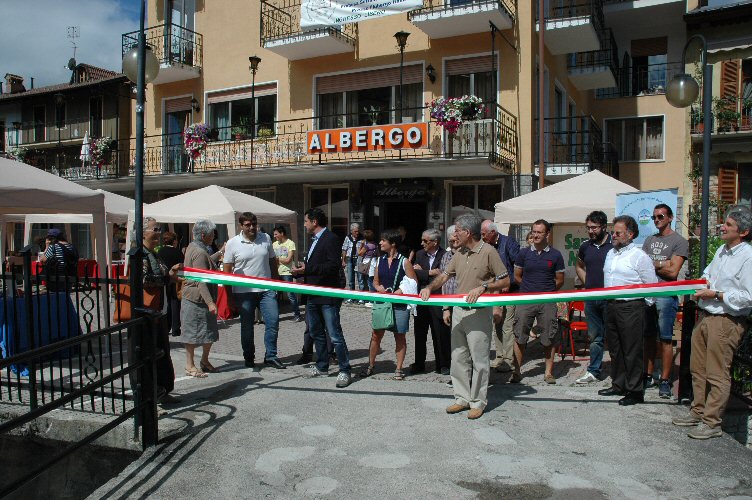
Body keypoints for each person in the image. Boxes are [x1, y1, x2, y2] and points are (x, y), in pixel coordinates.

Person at [672, 206, 752, 439]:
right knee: (698, 369)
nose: (722, 227)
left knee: (717, 373)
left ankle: (712, 422)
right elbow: (707, 276)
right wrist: (701, 285)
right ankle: (698, 411)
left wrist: (716, 295)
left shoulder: (748, 257)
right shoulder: (722, 251)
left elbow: (748, 297)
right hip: (706, 316)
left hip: (726, 320)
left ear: (743, 232)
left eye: (728, 225)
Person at [420, 214, 509, 420]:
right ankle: (462, 398)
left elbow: (504, 281)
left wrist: (484, 287)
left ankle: (478, 402)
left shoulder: (488, 251)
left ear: (468, 233)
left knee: (479, 359)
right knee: (458, 356)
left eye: (458, 230)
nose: (454, 233)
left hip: (479, 311)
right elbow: (444, 275)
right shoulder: (459, 253)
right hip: (459, 310)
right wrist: (429, 289)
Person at [598, 215, 657, 406]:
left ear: (630, 234)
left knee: (632, 350)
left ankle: (635, 390)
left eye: (618, 232)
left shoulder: (639, 256)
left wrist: (642, 307)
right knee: (615, 349)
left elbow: (651, 285)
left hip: (631, 306)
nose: (613, 235)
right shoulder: (611, 253)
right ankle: (619, 384)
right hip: (612, 305)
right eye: (612, 231)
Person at [292, 207, 352, 388]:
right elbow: (316, 265)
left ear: (314, 222)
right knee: (316, 332)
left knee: (334, 335)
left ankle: (345, 370)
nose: (304, 225)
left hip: (327, 296)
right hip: (313, 294)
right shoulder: (314, 240)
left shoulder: (331, 239)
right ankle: (322, 366)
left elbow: (333, 267)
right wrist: (301, 272)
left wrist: (307, 269)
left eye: (305, 221)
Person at [223, 212, 285, 370]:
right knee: (247, 326)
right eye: (248, 225)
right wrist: (229, 297)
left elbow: (272, 261)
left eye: (254, 224)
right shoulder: (232, 243)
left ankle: (271, 355)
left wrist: (276, 284)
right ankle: (249, 357)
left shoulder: (266, 238)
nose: (252, 227)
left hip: (267, 289)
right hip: (244, 292)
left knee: (273, 321)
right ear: (241, 226)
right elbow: (227, 272)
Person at [642, 203, 688, 398]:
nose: (657, 220)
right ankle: (648, 375)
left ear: (670, 218)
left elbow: (673, 271)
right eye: (654, 217)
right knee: (648, 338)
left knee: (666, 339)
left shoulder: (680, 241)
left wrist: (655, 264)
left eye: (660, 216)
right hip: (648, 294)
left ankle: (665, 380)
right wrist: (663, 262)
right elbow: (643, 268)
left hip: (666, 295)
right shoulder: (649, 240)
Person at [512, 219, 565, 384]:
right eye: (533, 231)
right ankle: (517, 371)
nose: (535, 235)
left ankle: (548, 373)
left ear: (547, 234)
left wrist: (545, 290)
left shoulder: (556, 255)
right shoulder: (523, 253)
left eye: (539, 232)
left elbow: (560, 280)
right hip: (526, 299)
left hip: (547, 300)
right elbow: (517, 276)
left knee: (549, 336)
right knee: (520, 335)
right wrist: (530, 288)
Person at [361, 230, 418, 380]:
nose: (380, 243)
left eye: (383, 241)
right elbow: (375, 281)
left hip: (399, 304)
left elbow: (414, 282)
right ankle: (370, 365)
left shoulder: (404, 261)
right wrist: (379, 288)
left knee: (399, 336)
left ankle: (398, 369)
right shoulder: (379, 260)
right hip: (382, 302)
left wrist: (400, 291)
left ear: (392, 243)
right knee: (375, 335)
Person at [139, 217, 179, 405]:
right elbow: (144, 280)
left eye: (159, 229)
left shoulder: (153, 253)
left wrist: (170, 275)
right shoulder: (139, 254)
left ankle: (163, 391)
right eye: (154, 229)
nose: (158, 233)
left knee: (162, 352)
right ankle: (150, 396)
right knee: (149, 355)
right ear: (142, 232)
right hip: (147, 312)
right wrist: (167, 277)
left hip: (159, 311)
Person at [574, 210, 613, 384]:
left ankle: (618, 371)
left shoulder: (615, 245)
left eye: (594, 228)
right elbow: (579, 265)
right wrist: (587, 282)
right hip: (591, 297)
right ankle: (594, 371)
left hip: (611, 298)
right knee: (595, 337)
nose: (591, 231)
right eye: (588, 228)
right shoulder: (585, 246)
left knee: (613, 336)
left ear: (604, 227)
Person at [179, 220, 221, 378]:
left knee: (209, 331)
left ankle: (204, 361)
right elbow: (200, 279)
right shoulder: (199, 252)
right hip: (196, 299)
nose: (213, 237)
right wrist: (211, 302)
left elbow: (205, 262)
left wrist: (219, 253)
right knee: (192, 332)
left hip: (200, 298)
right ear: (204, 235)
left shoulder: (195, 247)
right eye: (212, 234)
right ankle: (190, 365)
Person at [481, 220, 520, 374]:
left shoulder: (508, 242)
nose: (483, 237)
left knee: (508, 326)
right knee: (497, 322)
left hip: (509, 292)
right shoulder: (486, 246)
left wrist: (509, 281)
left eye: (484, 234)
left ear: (493, 232)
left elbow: (517, 265)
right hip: (494, 291)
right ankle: (499, 356)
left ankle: (509, 360)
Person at [412, 228, 450, 375]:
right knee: (420, 333)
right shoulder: (420, 254)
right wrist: (429, 273)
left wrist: (423, 273)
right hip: (422, 298)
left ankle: (443, 364)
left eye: (425, 241)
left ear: (435, 242)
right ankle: (419, 364)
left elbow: (443, 275)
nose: (422, 243)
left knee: (440, 332)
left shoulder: (445, 255)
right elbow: (414, 273)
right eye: (422, 240)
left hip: (437, 297)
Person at [273, 225, 302, 322]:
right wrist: (281, 260)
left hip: (287, 272)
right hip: (277, 272)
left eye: (276, 234)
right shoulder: (274, 244)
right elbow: (274, 260)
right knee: (275, 295)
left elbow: (289, 260)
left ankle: (297, 314)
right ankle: (274, 316)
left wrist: (278, 259)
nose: (275, 236)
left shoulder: (290, 243)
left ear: (282, 233)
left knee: (290, 295)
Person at [158, 231, 184, 337]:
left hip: (164, 279)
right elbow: (182, 266)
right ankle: (176, 328)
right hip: (175, 279)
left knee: (166, 303)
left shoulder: (160, 251)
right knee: (175, 303)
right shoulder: (177, 252)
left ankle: (167, 326)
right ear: (174, 241)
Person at [341, 223, 362, 303]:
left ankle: (361, 298)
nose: (357, 233)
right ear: (351, 231)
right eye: (355, 231)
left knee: (360, 279)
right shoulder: (348, 238)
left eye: (358, 231)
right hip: (349, 259)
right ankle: (351, 297)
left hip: (358, 259)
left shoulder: (362, 238)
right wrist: (343, 260)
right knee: (350, 279)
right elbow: (344, 249)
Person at [359, 229, 378, 307]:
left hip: (368, 264)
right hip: (374, 263)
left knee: (369, 282)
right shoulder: (375, 245)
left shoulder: (367, 246)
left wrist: (361, 245)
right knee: (372, 281)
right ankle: (373, 299)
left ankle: (371, 300)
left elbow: (359, 253)